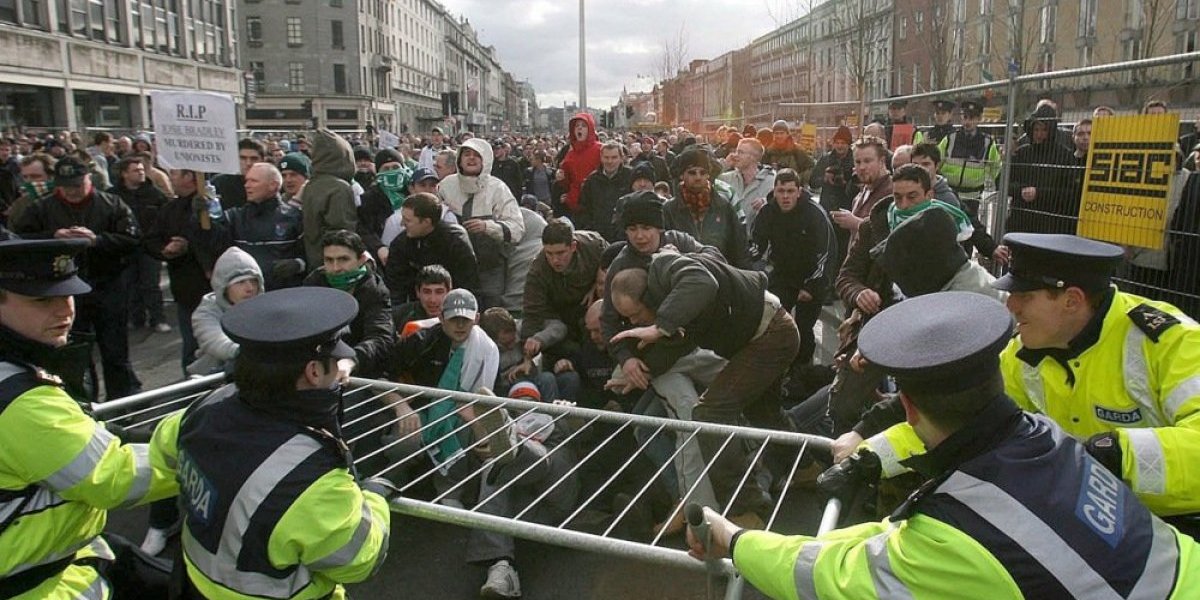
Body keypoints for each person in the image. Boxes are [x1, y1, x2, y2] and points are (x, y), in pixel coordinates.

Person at [690, 291, 1199, 599]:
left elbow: (834, 578)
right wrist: (872, 457)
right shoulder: (1050, 440)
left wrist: (734, 539)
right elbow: (902, 531)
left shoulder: (958, 535)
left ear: (906, 405)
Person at [149, 287, 394, 599]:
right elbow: (359, 560)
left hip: (190, 582)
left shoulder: (204, 408)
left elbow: (163, 452)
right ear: (314, 371)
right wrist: (373, 500)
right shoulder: (310, 482)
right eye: (335, 361)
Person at [0, 239, 177, 598]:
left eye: (68, 296)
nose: (64, 310)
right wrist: (208, 431)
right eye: (41, 300)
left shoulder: (20, 368)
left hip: (64, 557)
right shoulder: (22, 401)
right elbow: (113, 477)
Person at [609, 251, 799, 522]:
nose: (635, 323)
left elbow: (703, 281)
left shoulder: (664, 267)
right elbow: (674, 350)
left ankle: (744, 508)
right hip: (762, 336)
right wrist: (637, 373)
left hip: (770, 334)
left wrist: (659, 327)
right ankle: (805, 467)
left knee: (709, 413)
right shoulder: (677, 309)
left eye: (636, 314)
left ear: (648, 296)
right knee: (764, 413)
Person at [13, 155, 143, 400]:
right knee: (75, 353)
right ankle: (84, 400)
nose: (72, 192)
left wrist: (98, 240)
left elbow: (133, 240)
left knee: (115, 352)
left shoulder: (112, 204)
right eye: (66, 186)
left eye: (77, 185)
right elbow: (20, 241)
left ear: (88, 178)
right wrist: (53, 237)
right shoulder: (41, 207)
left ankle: (123, 403)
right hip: (64, 292)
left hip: (107, 286)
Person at [750, 168, 836, 367]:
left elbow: (827, 252)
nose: (785, 196)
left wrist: (812, 286)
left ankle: (801, 370)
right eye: (781, 191)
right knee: (774, 325)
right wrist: (751, 271)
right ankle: (775, 367)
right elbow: (755, 245)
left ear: (799, 191)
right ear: (775, 191)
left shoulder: (814, 213)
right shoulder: (767, 211)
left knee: (804, 329)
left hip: (812, 276)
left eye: (790, 191)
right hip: (782, 275)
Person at [437, 138, 524, 309]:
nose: (471, 158)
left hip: (489, 267)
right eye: (467, 154)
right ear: (459, 159)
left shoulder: (498, 188)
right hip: (453, 266)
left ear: (485, 160)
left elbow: (517, 228)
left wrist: (488, 227)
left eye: (477, 155)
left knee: (491, 311)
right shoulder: (446, 186)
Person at [195, 162, 306, 290]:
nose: (247, 185)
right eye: (247, 181)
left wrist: (298, 264)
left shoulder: (294, 216)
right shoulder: (235, 217)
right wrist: (199, 216)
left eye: (254, 181)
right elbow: (211, 239)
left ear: (273, 185)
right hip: (247, 294)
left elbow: (310, 253)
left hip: (283, 294)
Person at [145, 169, 213, 373]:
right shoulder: (170, 209)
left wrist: (189, 245)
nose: (170, 178)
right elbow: (151, 240)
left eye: (174, 173)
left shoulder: (212, 206)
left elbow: (217, 240)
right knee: (191, 346)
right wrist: (166, 251)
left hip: (212, 286)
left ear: (190, 177)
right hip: (186, 289)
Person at [303, 229, 393, 379]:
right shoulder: (314, 284)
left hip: (360, 372)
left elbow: (380, 337)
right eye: (329, 260)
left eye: (343, 259)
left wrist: (351, 361)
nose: (335, 268)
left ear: (361, 259)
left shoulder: (374, 291)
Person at [383, 192, 479, 307]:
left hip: (454, 305)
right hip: (417, 307)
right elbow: (395, 289)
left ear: (426, 222)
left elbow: (469, 285)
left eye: (407, 220)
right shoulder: (400, 244)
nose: (402, 224)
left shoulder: (455, 241)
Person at [110, 155, 171, 332]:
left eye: (142, 170)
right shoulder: (113, 195)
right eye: (136, 171)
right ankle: (135, 318)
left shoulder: (154, 194)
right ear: (124, 174)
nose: (141, 173)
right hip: (125, 246)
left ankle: (158, 318)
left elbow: (165, 217)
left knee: (151, 284)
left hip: (149, 247)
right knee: (129, 284)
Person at [663, 148, 750, 268]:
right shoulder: (669, 210)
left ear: (708, 175)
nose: (698, 177)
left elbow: (739, 248)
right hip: (683, 275)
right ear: (682, 175)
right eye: (692, 172)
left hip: (720, 273)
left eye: (702, 173)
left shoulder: (723, 206)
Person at [187, 246, 264, 376]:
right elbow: (215, 340)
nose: (250, 288)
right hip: (213, 377)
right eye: (240, 283)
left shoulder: (266, 307)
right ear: (224, 287)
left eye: (253, 281)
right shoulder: (205, 312)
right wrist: (243, 352)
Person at [1006, 104, 1078, 235]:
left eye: (1044, 130)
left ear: (1051, 131)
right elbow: (1004, 181)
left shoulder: (1064, 156)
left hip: (1050, 223)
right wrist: (1020, 190)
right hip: (1021, 220)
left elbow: (1069, 192)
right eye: (1036, 129)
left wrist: (1039, 193)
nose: (1039, 134)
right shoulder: (1022, 153)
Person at [301, 129, 359, 269]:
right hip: (336, 266)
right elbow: (343, 232)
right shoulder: (339, 188)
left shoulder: (311, 185)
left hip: (316, 260)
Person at [718, 138, 776, 233]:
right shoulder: (726, 178)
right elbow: (705, 180)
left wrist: (766, 202)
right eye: (736, 151)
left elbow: (779, 206)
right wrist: (724, 164)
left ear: (753, 157)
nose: (735, 156)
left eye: (740, 152)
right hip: (729, 240)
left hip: (755, 241)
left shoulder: (771, 181)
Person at [578, 141, 633, 241]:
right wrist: (590, 229)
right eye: (606, 157)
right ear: (601, 158)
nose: (610, 161)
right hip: (598, 236)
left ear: (621, 158)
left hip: (624, 236)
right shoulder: (592, 180)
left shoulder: (631, 177)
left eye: (614, 157)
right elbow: (583, 208)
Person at [557, 113, 603, 219]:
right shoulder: (570, 154)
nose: (579, 128)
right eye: (577, 126)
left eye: (583, 125)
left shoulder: (600, 149)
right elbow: (567, 182)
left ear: (590, 129)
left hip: (596, 203)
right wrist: (561, 179)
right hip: (576, 207)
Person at [212, 138, 266, 210]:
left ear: (262, 160)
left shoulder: (268, 183)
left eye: (254, 158)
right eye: (243, 158)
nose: (248, 163)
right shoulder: (219, 182)